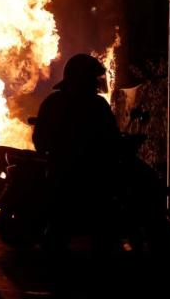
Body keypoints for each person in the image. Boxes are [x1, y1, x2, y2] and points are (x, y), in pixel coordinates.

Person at [32, 53, 121, 251]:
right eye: (92, 78)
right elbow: (112, 138)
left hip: (62, 174)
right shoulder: (97, 106)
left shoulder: (53, 103)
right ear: (82, 79)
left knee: (58, 232)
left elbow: (40, 141)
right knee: (97, 230)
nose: (96, 84)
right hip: (85, 178)